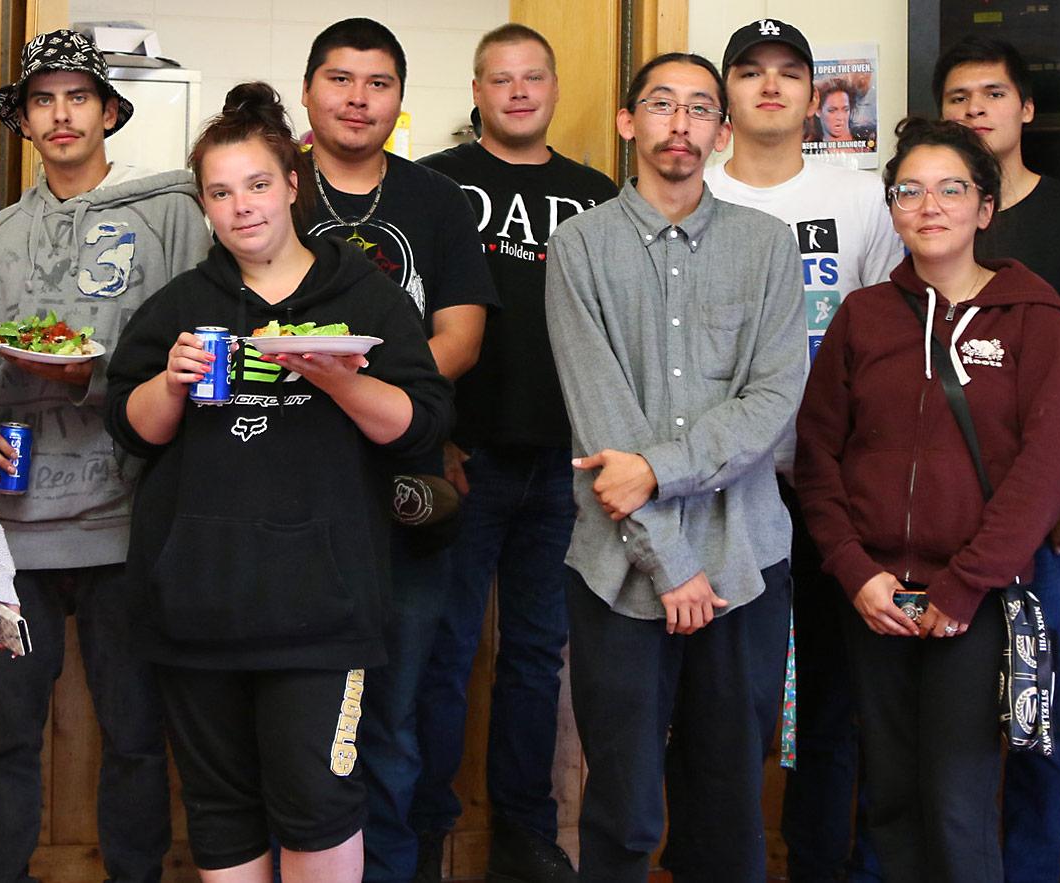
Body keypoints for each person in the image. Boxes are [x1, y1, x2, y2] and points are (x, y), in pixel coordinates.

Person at [105, 80, 451, 883]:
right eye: (220, 193)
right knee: (220, 814)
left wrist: (338, 379)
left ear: (294, 184)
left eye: (258, 184)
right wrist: (173, 382)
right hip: (196, 605)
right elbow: (131, 429)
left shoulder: (364, 295)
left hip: (321, 609)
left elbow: (424, 425)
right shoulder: (181, 306)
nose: (242, 207)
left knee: (318, 805)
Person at [794, 116, 1060, 883]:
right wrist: (856, 571)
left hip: (976, 600)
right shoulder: (863, 316)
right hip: (876, 596)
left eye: (952, 189)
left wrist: (962, 586)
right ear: (891, 209)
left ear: (984, 208)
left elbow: (1046, 470)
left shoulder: (1034, 317)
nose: (930, 206)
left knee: (957, 802)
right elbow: (819, 456)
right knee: (887, 798)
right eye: (909, 191)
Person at [543, 52, 804, 882]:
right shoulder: (579, 247)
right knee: (620, 811)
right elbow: (600, 422)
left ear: (721, 132)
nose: (680, 122)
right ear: (629, 123)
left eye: (700, 108)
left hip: (748, 564)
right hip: (619, 572)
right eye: (661, 104)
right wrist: (673, 564)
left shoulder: (767, 247)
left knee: (727, 812)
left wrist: (656, 470)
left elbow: (772, 401)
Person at [0, 28, 209, 883]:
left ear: (109, 110)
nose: (60, 114)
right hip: (16, 525)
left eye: (77, 97)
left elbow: (202, 345)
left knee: (137, 732)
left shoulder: (171, 214)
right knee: (5, 735)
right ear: (23, 121)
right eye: (42, 99)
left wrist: (101, 375)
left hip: (127, 516)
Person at [291, 20, 497, 883]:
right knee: (295, 713)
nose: (357, 98)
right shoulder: (273, 189)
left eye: (377, 84)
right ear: (308, 90)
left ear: (399, 101)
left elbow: (464, 333)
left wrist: (379, 398)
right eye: (340, 79)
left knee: (396, 715)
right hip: (291, 486)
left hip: (407, 485)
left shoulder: (435, 199)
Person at [699, 20, 905, 881]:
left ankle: (821, 864)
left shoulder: (859, 197)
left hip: (829, 486)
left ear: (821, 94)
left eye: (790, 73)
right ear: (728, 94)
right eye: (751, 72)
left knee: (832, 700)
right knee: (721, 705)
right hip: (716, 491)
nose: (771, 87)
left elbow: (892, 342)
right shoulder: (692, 191)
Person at [409, 24, 611, 883]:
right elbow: (407, 327)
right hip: (465, 458)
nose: (519, 91)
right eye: (501, 78)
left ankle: (523, 836)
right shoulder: (433, 187)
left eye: (533, 77)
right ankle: (421, 833)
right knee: (443, 651)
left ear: (555, 88)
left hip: (568, 467)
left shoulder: (599, 194)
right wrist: (436, 434)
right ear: (479, 89)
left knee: (536, 656)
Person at [933, 35, 1060, 883]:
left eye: (993, 94)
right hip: (932, 515)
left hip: (1039, 514)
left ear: (1026, 108)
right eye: (960, 97)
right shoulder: (923, 211)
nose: (976, 109)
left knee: (1034, 716)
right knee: (931, 719)